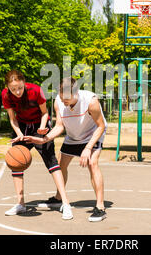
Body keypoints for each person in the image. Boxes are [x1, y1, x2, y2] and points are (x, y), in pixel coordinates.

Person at [25, 77, 107, 222]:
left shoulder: (91, 101)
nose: (64, 102)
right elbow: (60, 126)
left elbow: (100, 126)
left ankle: (100, 207)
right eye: (62, 99)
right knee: (61, 165)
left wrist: (88, 148)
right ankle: (58, 198)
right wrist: (44, 139)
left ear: (76, 93)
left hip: (92, 134)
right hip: (73, 134)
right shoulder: (58, 101)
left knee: (92, 163)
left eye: (66, 100)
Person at [1, 70, 73, 220]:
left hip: (39, 125)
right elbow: (12, 118)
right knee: (16, 163)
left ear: (24, 83)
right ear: (8, 87)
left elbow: (45, 113)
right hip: (21, 126)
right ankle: (20, 204)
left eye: (20, 87)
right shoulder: (5, 95)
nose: (17, 92)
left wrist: (41, 130)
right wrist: (19, 133)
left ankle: (66, 204)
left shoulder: (36, 90)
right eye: (13, 89)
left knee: (52, 162)